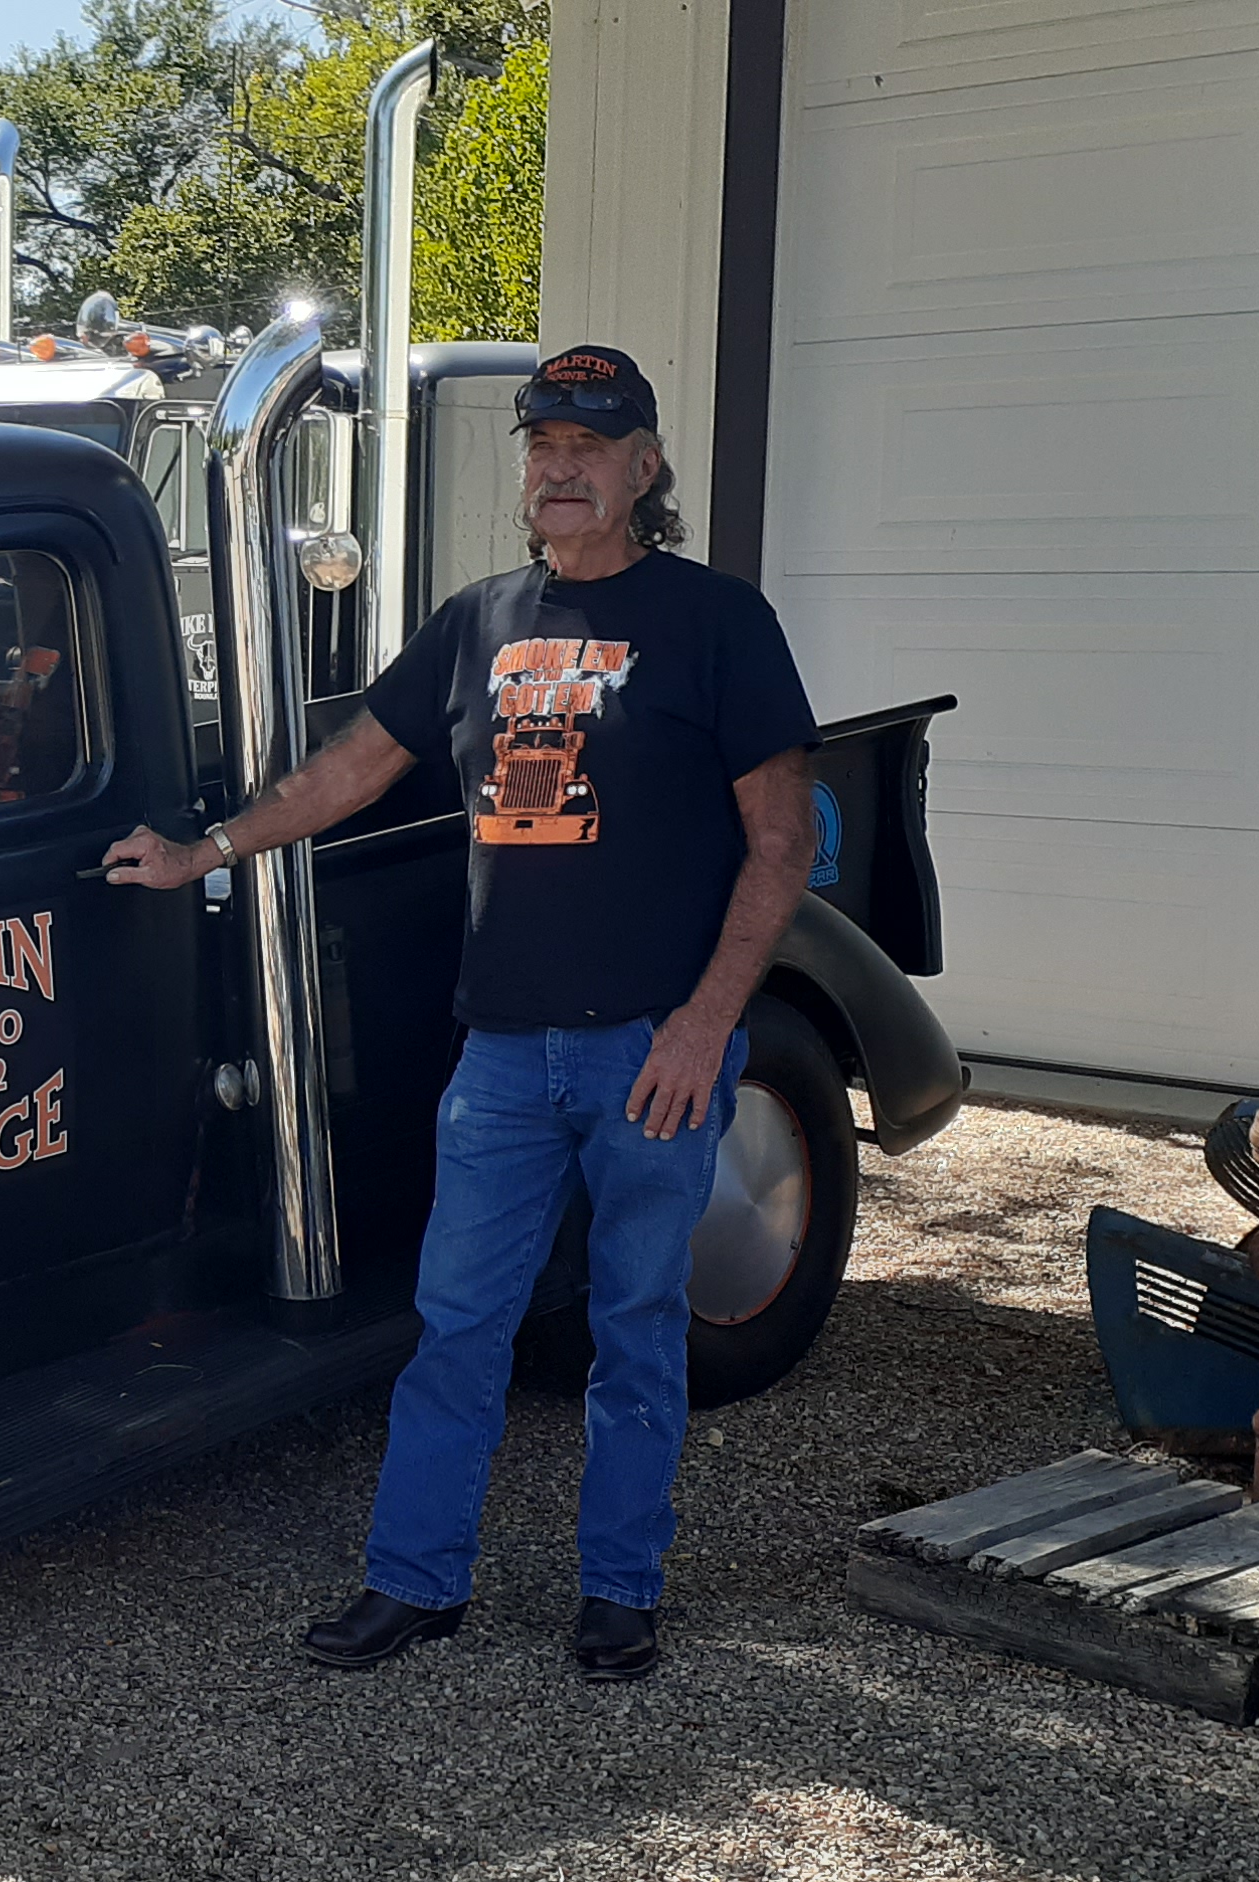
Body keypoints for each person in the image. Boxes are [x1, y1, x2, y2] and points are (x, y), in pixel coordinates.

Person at [103, 344, 817, 1683]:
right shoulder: (478, 621)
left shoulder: (718, 626)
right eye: (543, 444)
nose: (559, 467)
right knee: (458, 1329)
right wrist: (208, 851)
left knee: (635, 1325)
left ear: (643, 470)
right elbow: (348, 776)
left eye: (590, 448)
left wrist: (708, 1024)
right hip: (501, 1056)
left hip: (650, 1051)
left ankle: (621, 1590)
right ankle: (415, 1582)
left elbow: (782, 842)